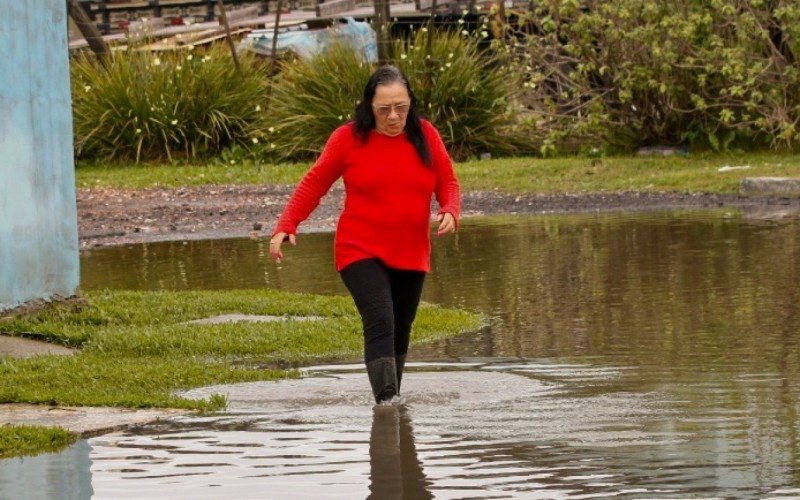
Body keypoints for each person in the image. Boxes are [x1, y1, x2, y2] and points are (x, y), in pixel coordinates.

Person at [269, 65, 461, 404]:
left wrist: (450, 208)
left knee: (401, 328)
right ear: (369, 107)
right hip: (359, 248)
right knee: (381, 319)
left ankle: (392, 410)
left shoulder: (426, 135)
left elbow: (447, 180)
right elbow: (315, 182)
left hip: (411, 250)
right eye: (383, 109)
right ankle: (387, 404)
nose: (392, 116)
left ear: (410, 104)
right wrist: (287, 224)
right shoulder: (348, 139)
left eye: (401, 107)